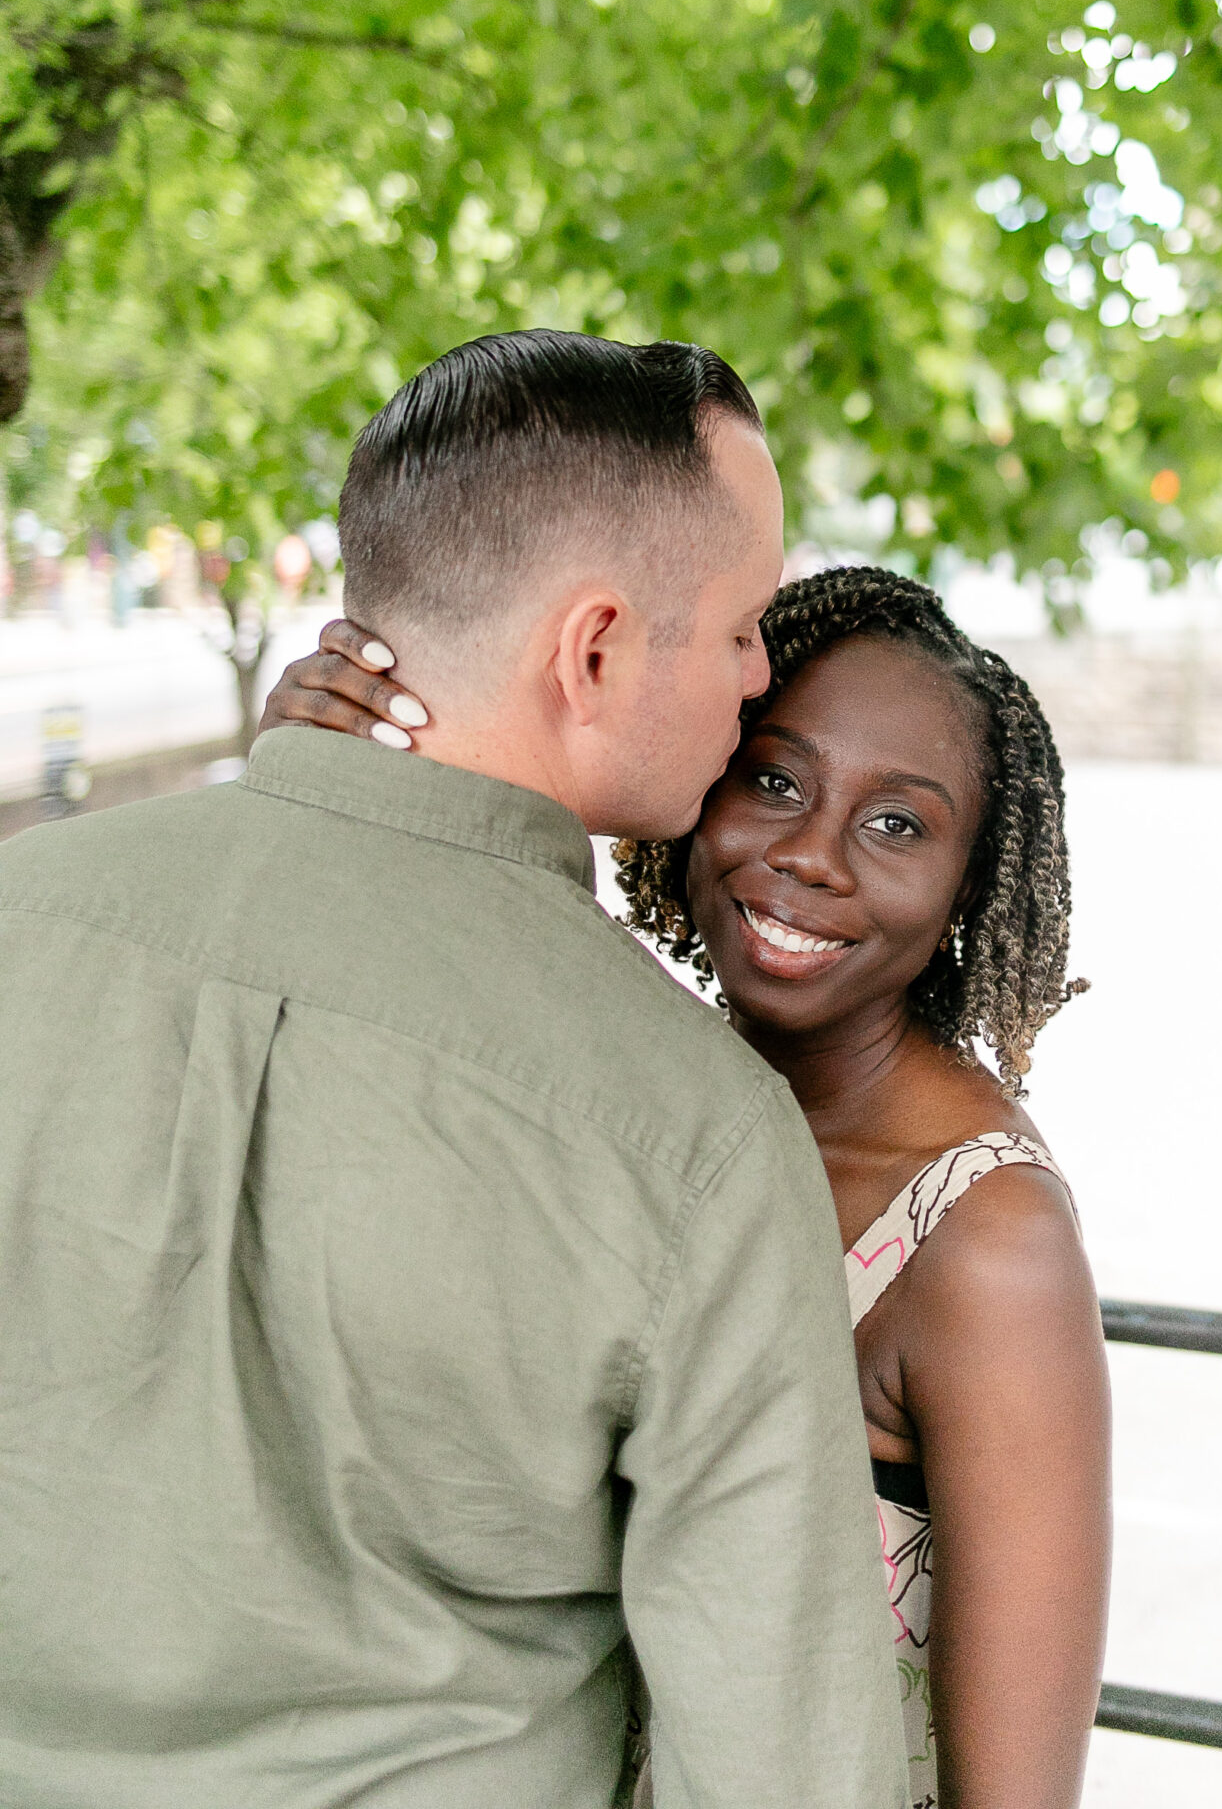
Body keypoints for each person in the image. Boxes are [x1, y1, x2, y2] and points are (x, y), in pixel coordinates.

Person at [0, 332, 908, 1809]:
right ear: (593, 647)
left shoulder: (21, 916)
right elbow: (780, 1772)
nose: (759, 673)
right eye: (744, 623)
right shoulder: (691, 1132)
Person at [266, 562, 1113, 1809]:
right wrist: (318, 786)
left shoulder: (985, 1240)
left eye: (897, 823)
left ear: (968, 887)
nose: (810, 855)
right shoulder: (626, 1091)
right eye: (773, 778)